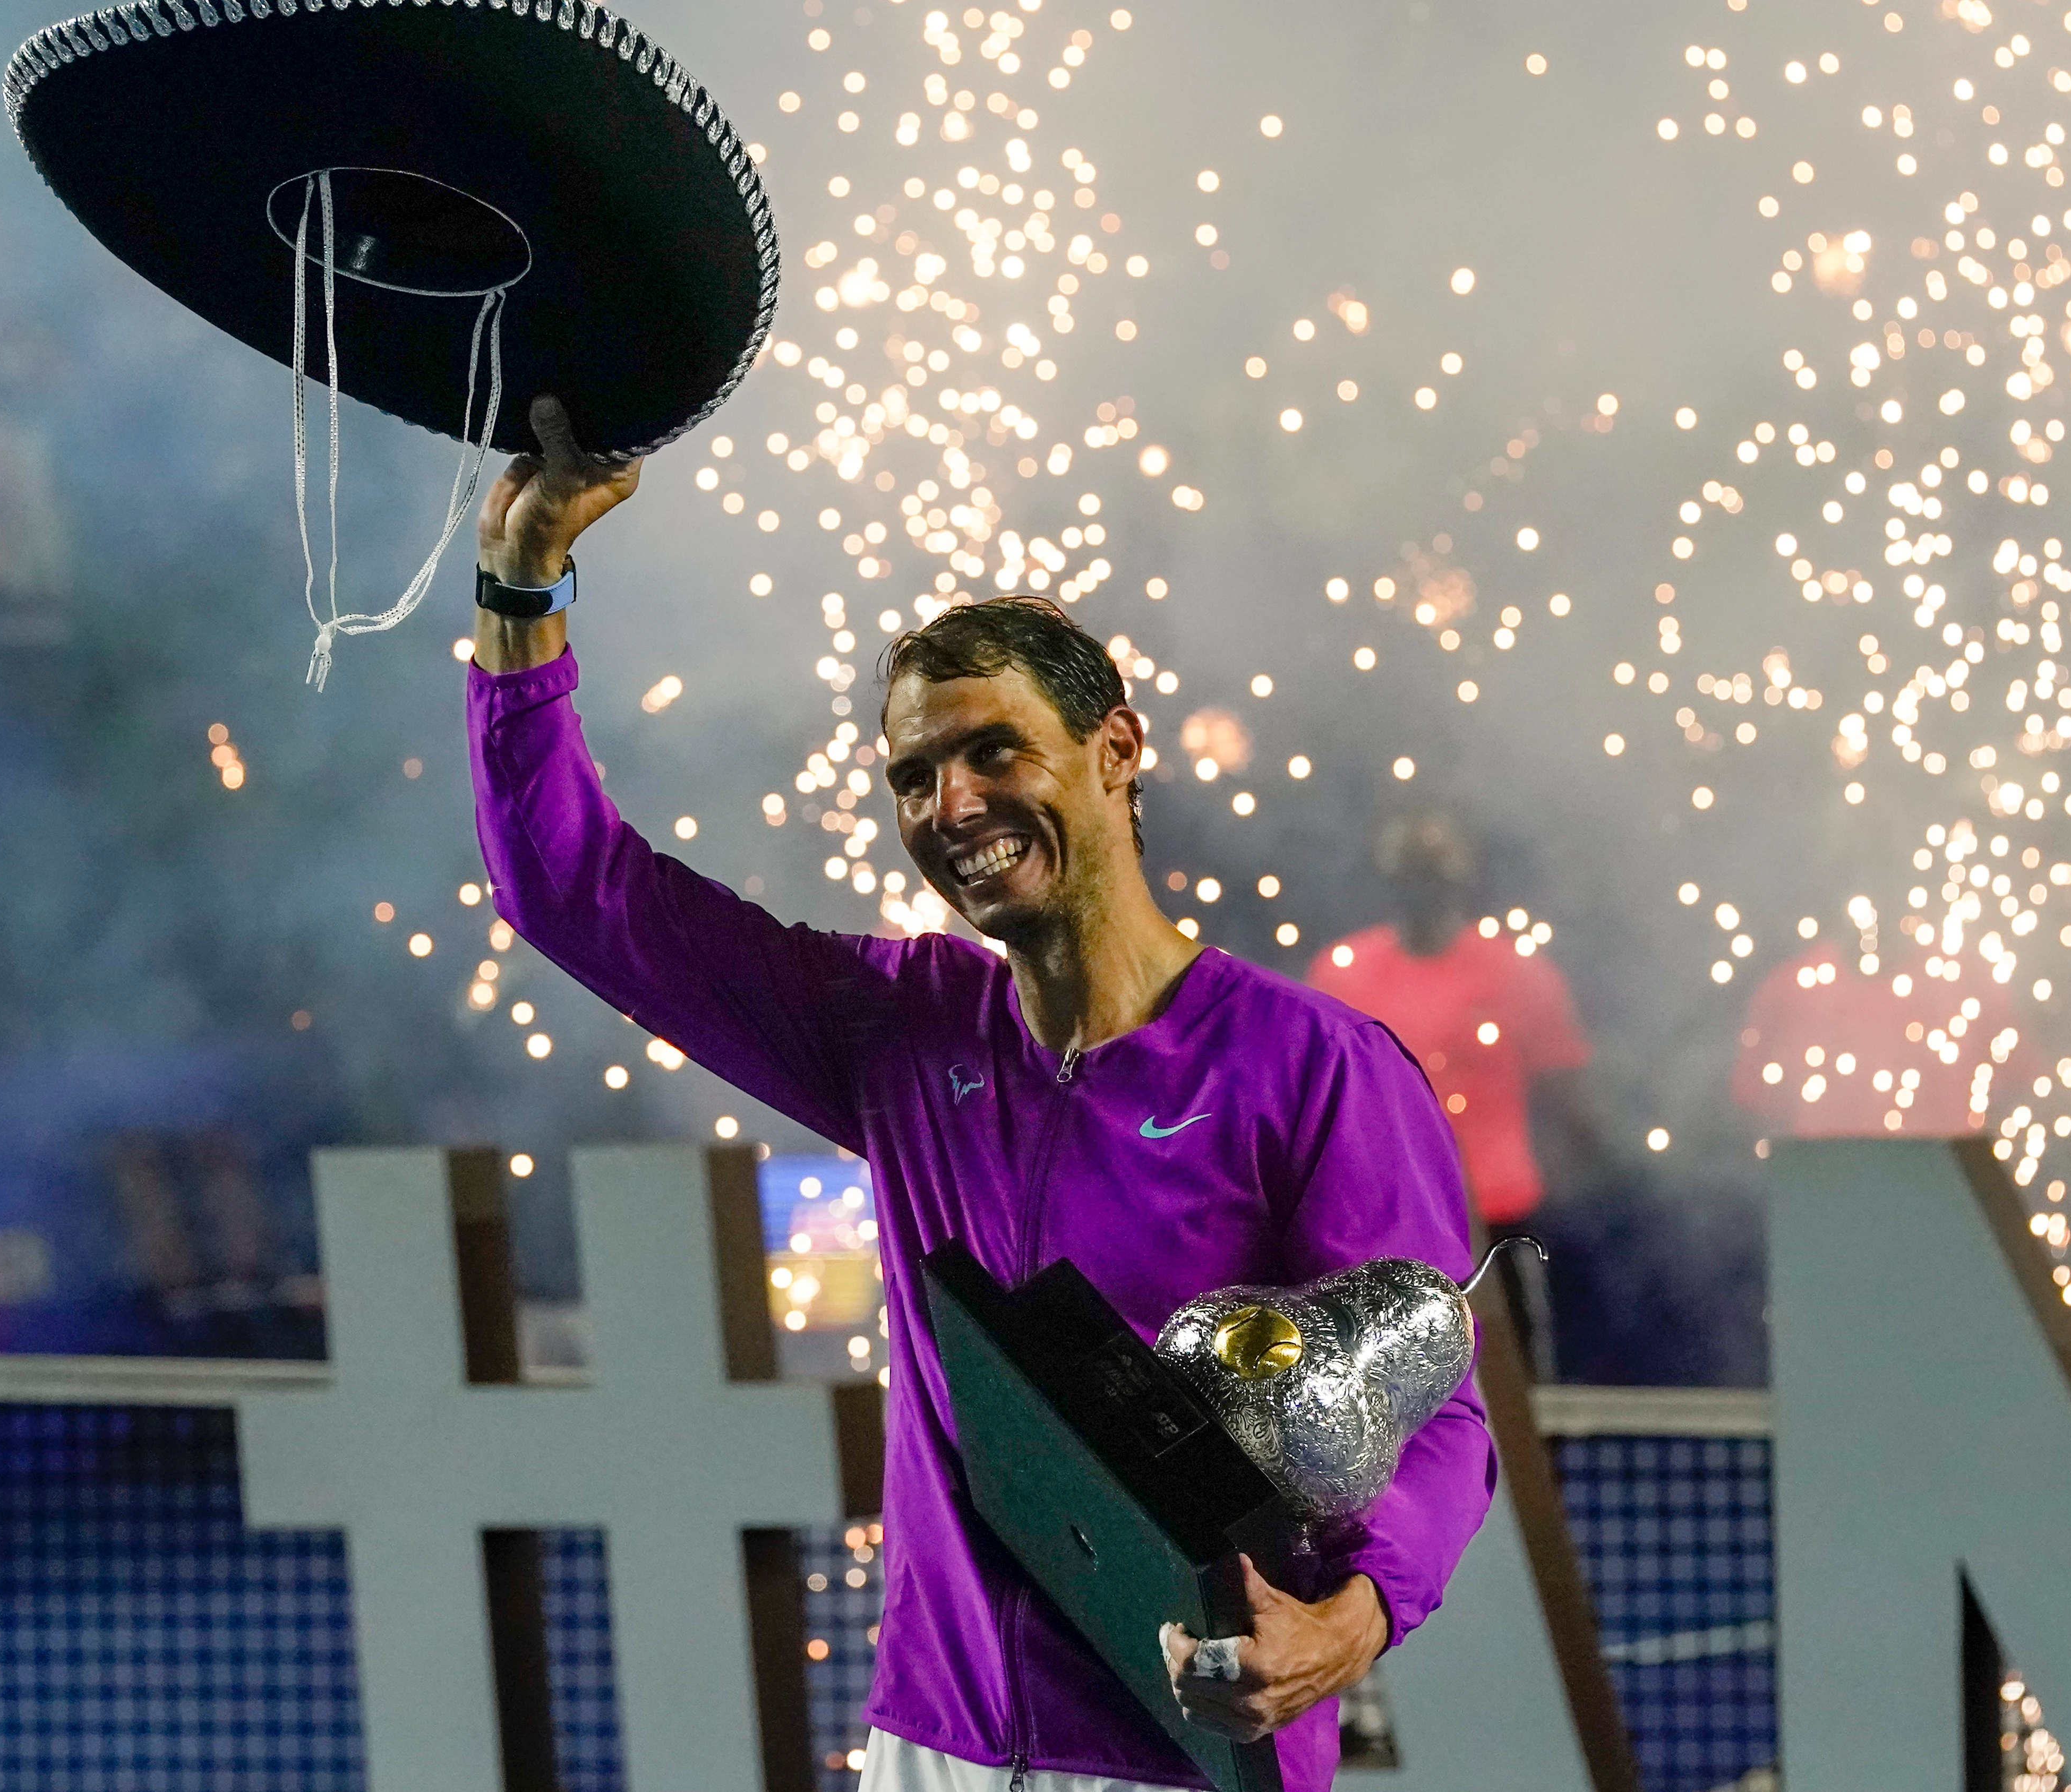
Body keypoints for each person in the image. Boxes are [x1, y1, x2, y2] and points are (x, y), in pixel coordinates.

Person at [467, 397, 1491, 1791]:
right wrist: (521, 591)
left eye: (992, 750)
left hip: (1184, 1753)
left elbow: (1437, 1408)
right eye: (914, 773)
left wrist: (1352, 1619)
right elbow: (575, 890)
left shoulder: (1309, 1062)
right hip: (932, 1744)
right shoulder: (895, 1026)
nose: (951, 805)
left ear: (1115, 750)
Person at [1308, 805, 1604, 1379]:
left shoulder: (1516, 973)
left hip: (1496, 1219)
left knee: (1513, 1395)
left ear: (1459, 879)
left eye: (1433, 871)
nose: (1422, 886)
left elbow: (1568, 1101)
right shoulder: (1344, 973)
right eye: (1411, 872)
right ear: (1390, 880)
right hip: (1381, 1226)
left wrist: (1558, 1191)